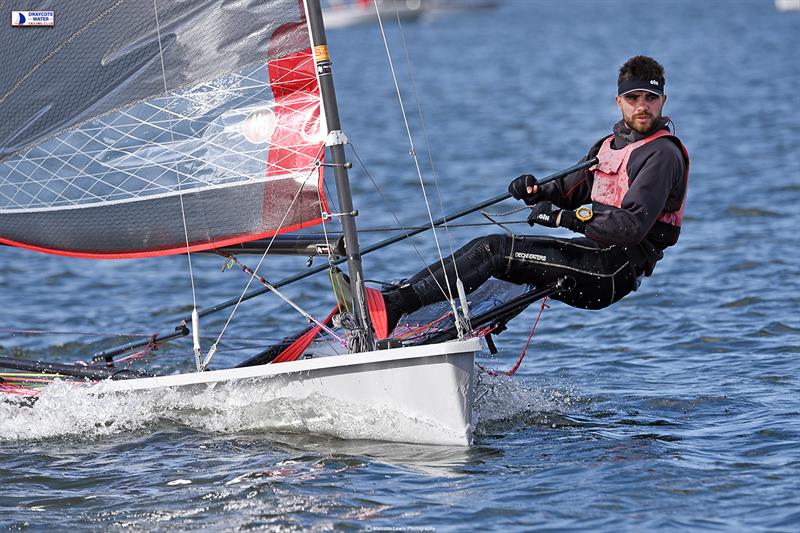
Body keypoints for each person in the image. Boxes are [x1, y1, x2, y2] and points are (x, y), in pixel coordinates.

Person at [379, 55, 690, 332]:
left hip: (612, 271)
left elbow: (631, 227)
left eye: (650, 98)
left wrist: (564, 218)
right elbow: (569, 190)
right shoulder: (608, 145)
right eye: (632, 97)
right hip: (592, 254)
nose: (642, 106)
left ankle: (397, 306)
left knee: (494, 251)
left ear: (663, 100)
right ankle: (399, 299)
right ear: (618, 102)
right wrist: (534, 190)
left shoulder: (662, 154)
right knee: (486, 251)